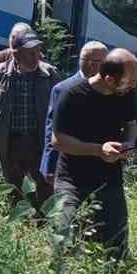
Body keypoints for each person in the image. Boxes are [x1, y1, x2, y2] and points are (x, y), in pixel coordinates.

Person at [52, 47, 137, 259]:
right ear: (109, 79)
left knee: (116, 248)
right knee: (65, 240)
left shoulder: (125, 95)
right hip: (72, 180)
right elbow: (58, 141)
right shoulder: (72, 96)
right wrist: (98, 150)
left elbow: (131, 125)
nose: (134, 86)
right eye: (130, 81)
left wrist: (128, 143)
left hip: (109, 180)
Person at [0, 22, 60, 209]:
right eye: (30, 53)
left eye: (37, 51)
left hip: (39, 141)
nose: (36, 57)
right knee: (14, 188)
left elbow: (61, 107)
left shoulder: (50, 75)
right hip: (10, 141)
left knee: (44, 188)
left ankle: (43, 223)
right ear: (16, 54)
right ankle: (20, 227)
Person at [40, 40, 108, 183]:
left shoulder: (109, 89)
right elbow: (52, 131)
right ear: (90, 63)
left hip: (99, 166)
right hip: (67, 166)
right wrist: (49, 166)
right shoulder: (63, 90)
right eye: (105, 62)